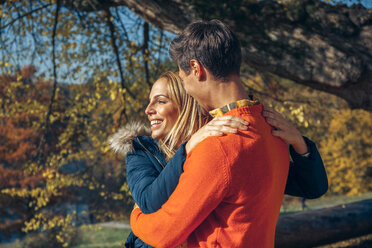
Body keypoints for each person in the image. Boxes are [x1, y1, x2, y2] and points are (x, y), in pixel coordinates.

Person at [129, 20, 327, 247]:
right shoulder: (270, 127)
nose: (187, 91)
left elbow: (163, 233)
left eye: (184, 80)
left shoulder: (218, 144)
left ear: (196, 69)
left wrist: (136, 215)